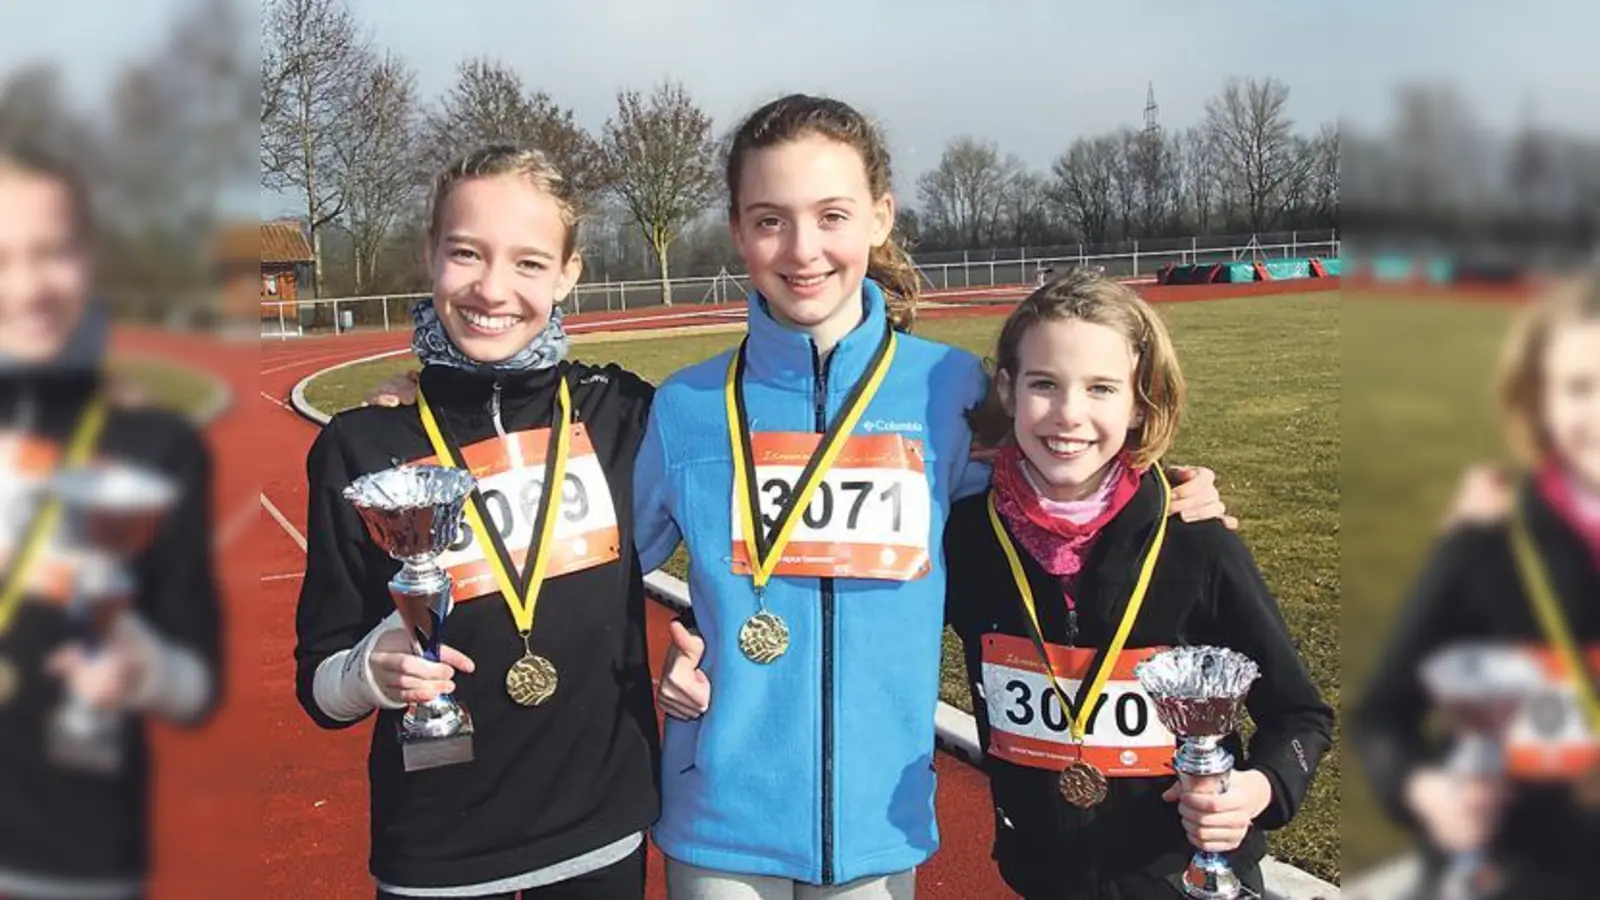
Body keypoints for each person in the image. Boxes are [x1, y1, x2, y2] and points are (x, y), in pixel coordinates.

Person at [637, 94, 1231, 899]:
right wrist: (664, 659)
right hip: (720, 814)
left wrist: (1169, 496)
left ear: (880, 217)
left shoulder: (950, 390)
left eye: (832, 215)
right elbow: (599, 578)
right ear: (738, 231)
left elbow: (1062, 486)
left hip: (878, 817)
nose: (804, 248)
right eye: (771, 220)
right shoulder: (687, 408)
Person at [293, 145, 657, 899]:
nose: (493, 288)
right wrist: (369, 672)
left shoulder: (621, 413)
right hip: (437, 855)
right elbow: (319, 685)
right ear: (430, 255)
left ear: (568, 274)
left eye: (529, 262)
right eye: (466, 253)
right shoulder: (364, 447)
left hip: (601, 831)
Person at [939, 269, 1331, 899]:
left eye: (1101, 388)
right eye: (1044, 384)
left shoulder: (1196, 541)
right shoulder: (965, 538)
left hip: (1181, 879)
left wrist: (1257, 789)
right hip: (1044, 880)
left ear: (1140, 403)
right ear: (1008, 391)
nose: (1069, 414)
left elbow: (1300, 714)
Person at [0, 141, 222, 899]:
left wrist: (141, 668)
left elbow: (197, 687)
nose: (26, 286)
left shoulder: (154, 445)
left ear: (90, 261)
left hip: (75, 856)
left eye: (50, 253)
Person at [1348, 270, 1600, 900]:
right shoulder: (1490, 544)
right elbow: (1383, 716)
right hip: (1523, 872)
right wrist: (1428, 792)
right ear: (1538, 402)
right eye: (1579, 388)